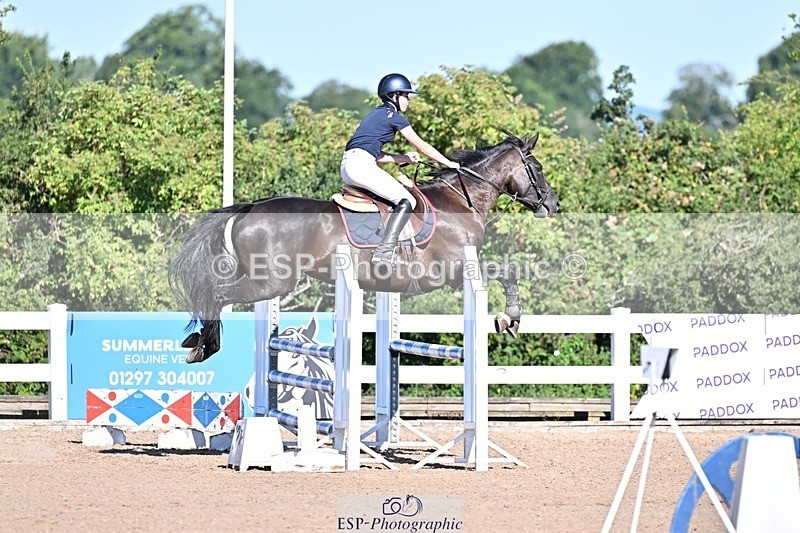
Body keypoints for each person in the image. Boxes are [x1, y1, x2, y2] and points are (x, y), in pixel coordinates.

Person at [341, 73, 460, 265]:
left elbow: (375, 154)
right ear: (393, 96)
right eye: (405, 96)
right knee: (407, 200)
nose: (409, 100)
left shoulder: (375, 114)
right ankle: (385, 251)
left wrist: (403, 158)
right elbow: (423, 146)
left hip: (350, 165)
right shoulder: (395, 117)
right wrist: (449, 163)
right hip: (361, 166)